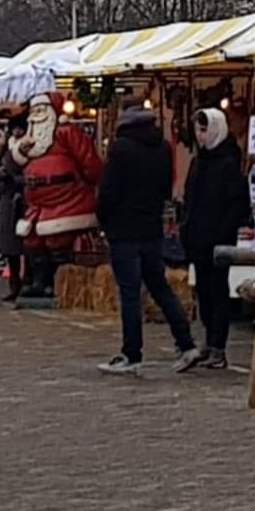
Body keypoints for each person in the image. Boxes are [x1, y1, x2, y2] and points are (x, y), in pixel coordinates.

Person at [95, 96, 203, 375]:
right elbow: (165, 189)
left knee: (130, 293)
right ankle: (186, 342)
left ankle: (132, 353)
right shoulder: (163, 148)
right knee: (159, 287)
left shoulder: (121, 149)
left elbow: (108, 191)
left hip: (124, 229)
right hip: (151, 228)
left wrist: (103, 220)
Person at [9, 93, 103, 300]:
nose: (37, 116)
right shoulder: (30, 139)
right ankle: (40, 281)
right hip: (37, 204)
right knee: (33, 241)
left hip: (67, 200)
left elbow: (89, 163)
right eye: (34, 111)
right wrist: (19, 152)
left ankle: (58, 282)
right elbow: (15, 162)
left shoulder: (67, 133)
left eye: (41, 111)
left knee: (58, 240)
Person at [179, 107, 250, 370]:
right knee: (204, 294)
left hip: (217, 240)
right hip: (198, 237)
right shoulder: (200, 162)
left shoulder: (228, 163)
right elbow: (190, 198)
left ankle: (218, 345)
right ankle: (210, 342)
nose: (201, 136)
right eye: (198, 130)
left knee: (217, 292)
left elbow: (236, 204)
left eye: (205, 130)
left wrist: (222, 232)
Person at [0, 127, 25, 302]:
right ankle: (14, 284)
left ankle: (26, 283)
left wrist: (16, 181)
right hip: (7, 201)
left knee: (25, 245)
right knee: (10, 247)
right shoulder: (6, 149)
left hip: (21, 201)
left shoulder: (29, 148)